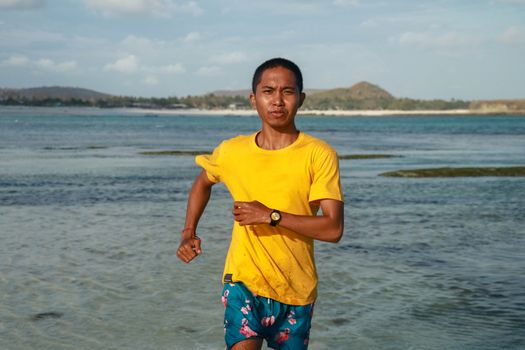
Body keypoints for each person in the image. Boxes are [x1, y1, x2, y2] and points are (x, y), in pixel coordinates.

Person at [176, 57, 344, 350]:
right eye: (268, 91)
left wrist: (271, 216)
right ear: (254, 99)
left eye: (287, 92)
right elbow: (203, 182)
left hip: (296, 291)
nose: (277, 100)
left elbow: (333, 229)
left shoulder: (318, 154)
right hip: (243, 282)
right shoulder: (232, 151)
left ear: (301, 99)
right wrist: (188, 231)